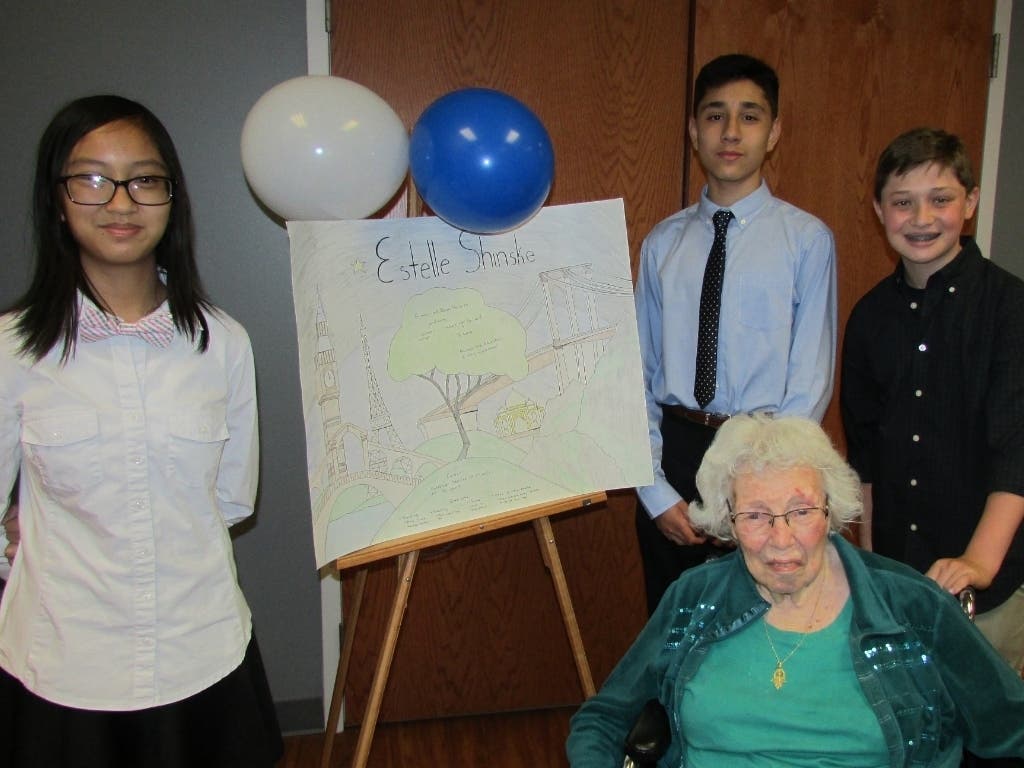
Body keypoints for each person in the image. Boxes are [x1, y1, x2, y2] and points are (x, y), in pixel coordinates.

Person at [0, 95, 283, 767]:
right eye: (92, 178)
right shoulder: (12, 351)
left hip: (202, 655)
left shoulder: (223, 344)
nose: (120, 202)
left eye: (144, 179)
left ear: (171, 199)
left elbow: (231, 500)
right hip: (64, 669)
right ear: (57, 199)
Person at [567, 414, 1024, 768]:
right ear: (728, 521)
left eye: (801, 511)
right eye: (756, 515)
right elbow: (603, 718)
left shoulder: (910, 606)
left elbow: (1010, 729)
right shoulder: (695, 597)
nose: (781, 540)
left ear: (831, 510)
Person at [634, 53, 837, 614]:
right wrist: (654, 492)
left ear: (773, 133)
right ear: (693, 130)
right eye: (715, 115)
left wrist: (763, 491)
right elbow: (636, 374)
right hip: (674, 454)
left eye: (750, 117)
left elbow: (811, 379)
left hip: (765, 453)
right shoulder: (661, 245)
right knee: (673, 628)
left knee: (762, 630)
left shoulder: (806, 240)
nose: (730, 132)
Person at [841, 128, 1024, 676]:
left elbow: (1017, 455)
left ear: (969, 202)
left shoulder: (1010, 309)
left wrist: (978, 563)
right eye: (902, 202)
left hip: (991, 591)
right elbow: (866, 459)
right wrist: (873, 569)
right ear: (879, 211)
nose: (922, 217)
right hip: (900, 586)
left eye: (940, 199)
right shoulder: (870, 317)